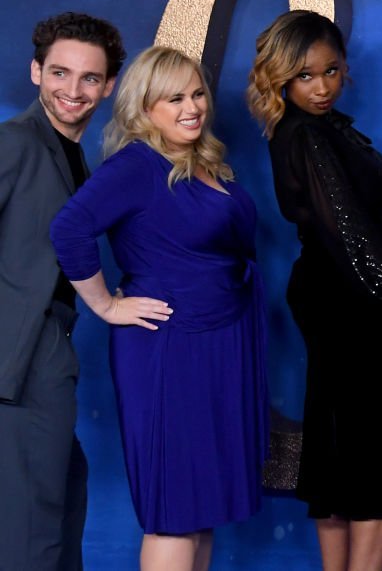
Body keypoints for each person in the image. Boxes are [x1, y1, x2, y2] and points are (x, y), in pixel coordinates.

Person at [49, 46, 268, 571]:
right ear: (145, 108)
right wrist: (105, 305)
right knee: (174, 509)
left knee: (203, 505)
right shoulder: (136, 166)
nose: (191, 107)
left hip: (221, 339)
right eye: (174, 98)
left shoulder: (200, 159)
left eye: (196, 93)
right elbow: (69, 228)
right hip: (171, 348)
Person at [247, 10, 382, 571]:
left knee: (341, 440)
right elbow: (351, 232)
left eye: (330, 70)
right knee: (375, 450)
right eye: (305, 76)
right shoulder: (310, 137)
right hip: (357, 303)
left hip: (335, 297)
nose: (322, 86)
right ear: (280, 78)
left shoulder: (308, 131)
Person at [0, 12, 123, 571]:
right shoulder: (16, 144)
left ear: (110, 85)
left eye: (89, 78)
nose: (72, 91)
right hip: (22, 357)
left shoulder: (76, 156)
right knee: (36, 531)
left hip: (51, 348)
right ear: (35, 72)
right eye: (59, 73)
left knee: (63, 508)